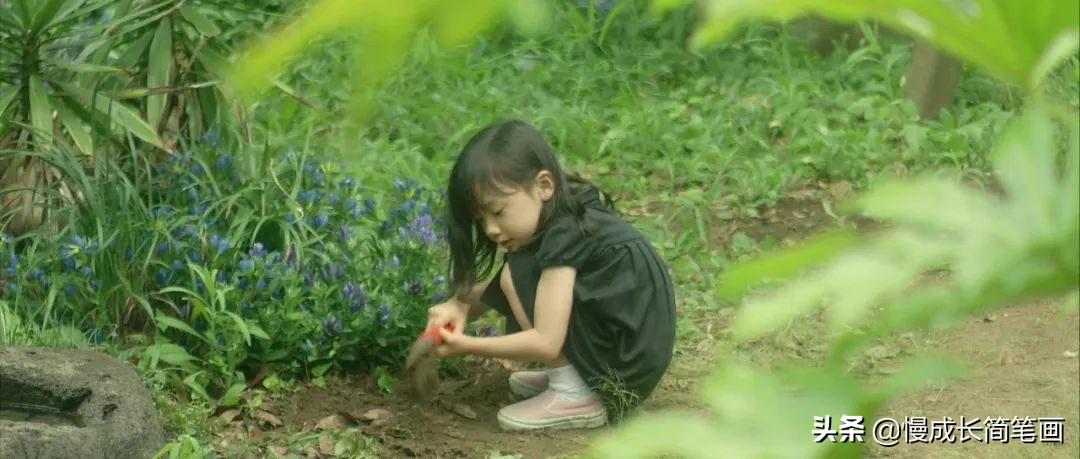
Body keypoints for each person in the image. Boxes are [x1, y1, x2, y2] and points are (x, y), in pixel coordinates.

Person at [425, 119, 677, 431]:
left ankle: (576, 392)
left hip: (623, 370)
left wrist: (468, 345)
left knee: (515, 272)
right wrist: (459, 305)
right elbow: (498, 291)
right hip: (630, 357)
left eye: (498, 211)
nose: (490, 229)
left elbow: (545, 342)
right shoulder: (566, 215)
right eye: (481, 219)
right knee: (516, 270)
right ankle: (577, 374)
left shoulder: (563, 235)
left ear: (544, 185)